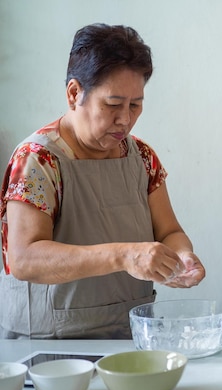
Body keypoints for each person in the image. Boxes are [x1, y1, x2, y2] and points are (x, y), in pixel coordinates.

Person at [0, 23, 206, 339]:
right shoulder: (39, 160)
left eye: (135, 105)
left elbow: (170, 232)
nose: (125, 119)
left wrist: (180, 257)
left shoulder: (142, 158)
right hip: (52, 346)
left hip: (128, 334)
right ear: (74, 94)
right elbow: (25, 259)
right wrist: (123, 256)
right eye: (112, 105)